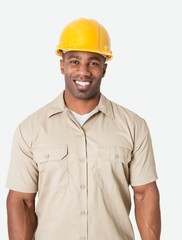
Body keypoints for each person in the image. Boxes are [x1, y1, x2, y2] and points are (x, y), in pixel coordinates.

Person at [6, 17, 161, 240]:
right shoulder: (30, 129)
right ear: (62, 65)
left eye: (93, 62)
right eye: (74, 61)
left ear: (104, 69)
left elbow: (145, 194)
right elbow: (21, 201)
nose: (84, 72)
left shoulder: (133, 126)